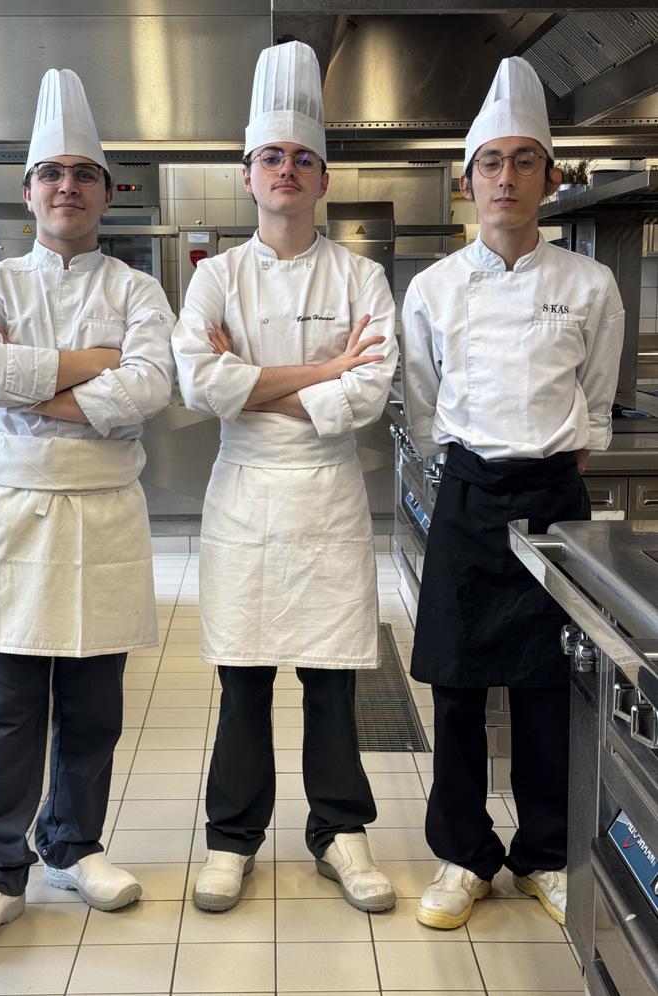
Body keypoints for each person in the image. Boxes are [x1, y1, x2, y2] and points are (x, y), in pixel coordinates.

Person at [0, 68, 176, 957]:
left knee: (91, 703)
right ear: (29, 191)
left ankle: (71, 846)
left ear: (107, 192)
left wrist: (41, 385)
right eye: (51, 174)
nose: (67, 187)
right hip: (11, 511)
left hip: (104, 513)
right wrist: (92, 364)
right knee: (2, 708)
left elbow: (150, 386)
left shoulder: (138, 289)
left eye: (83, 173)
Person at [172, 41, 398, 914]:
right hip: (244, 498)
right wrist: (317, 371)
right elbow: (201, 385)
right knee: (242, 678)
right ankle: (232, 839)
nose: (288, 170)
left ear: (324, 179)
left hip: (328, 496)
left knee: (334, 678)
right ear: (247, 176)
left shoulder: (360, 275)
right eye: (273, 157)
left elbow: (370, 389)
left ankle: (339, 834)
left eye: (303, 158)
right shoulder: (214, 278)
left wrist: (255, 382)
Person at [401, 56, 624, 929]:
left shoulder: (587, 284)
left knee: (548, 688)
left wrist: (559, 463)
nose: (504, 177)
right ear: (466, 183)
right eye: (488, 162)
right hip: (469, 493)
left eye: (522, 160)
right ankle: (462, 857)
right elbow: (424, 403)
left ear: (550, 177)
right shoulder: (433, 288)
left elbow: (596, 396)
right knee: (454, 687)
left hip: (555, 495)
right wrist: (465, 464)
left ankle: (541, 854)